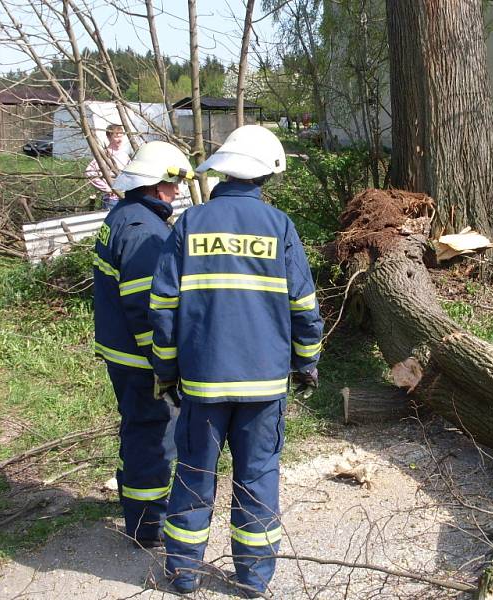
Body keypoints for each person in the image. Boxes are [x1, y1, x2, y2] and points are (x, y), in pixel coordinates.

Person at [149, 125, 324, 595]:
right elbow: (305, 308)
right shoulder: (279, 227)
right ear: (265, 174)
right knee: (258, 476)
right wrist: (306, 363)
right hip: (264, 386)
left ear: (223, 171)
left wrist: (166, 372)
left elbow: (163, 309)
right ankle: (253, 578)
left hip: (203, 384)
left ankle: (183, 572)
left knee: (194, 473)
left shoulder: (189, 224)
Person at [93, 141, 194, 547]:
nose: (176, 193)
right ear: (154, 186)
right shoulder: (144, 232)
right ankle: (149, 526)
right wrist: (164, 363)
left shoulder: (122, 216)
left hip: (122, 353)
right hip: (140, 360)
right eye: (171, 186)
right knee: (152, 437)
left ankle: (141, 516)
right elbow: (146, 307)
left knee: (140, 430)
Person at [85, 124, 131, 210]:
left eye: (121, 135)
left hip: (125, 198)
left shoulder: (125, 155)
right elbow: (89, 172)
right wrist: (108, 189)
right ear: (109, 137)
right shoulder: (104, 155)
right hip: (111, 200)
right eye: (116, 136)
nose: (119, 138)